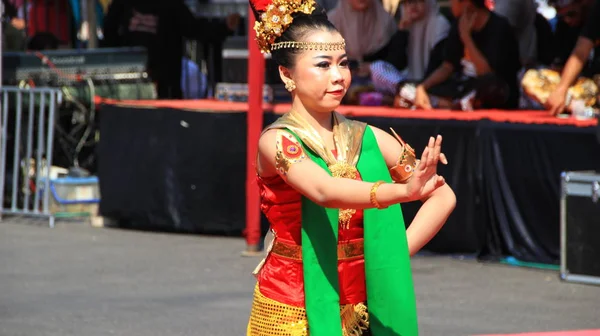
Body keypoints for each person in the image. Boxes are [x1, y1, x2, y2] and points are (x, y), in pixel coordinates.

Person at [246, 0, 457, 334]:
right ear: (286, 73)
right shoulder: (276, 141)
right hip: (292, 305)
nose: (338, 77)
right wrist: (401, 191)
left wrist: (390, 256)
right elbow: (324, 190)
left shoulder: (368, 139)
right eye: (323, 65)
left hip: (361, 303)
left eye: (342, 64)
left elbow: (442, 196)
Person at [103, 0, 240, 99]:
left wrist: (224, 27)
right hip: (128, 83)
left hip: (165, 84)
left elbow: (194, 28)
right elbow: (109, 33)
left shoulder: (170, 5)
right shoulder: (122, 4)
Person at [414, 0, 521, 110]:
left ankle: (454, 103)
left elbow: (486, 72)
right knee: (410, 88)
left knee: (490, 88)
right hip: (464, 85)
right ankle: (454, 102)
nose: (451, 5)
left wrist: (466, 37)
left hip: (494, 89)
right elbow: (447, 66)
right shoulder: (458, 24)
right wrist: (423, 87)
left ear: (467, 3)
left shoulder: (499, 27)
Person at [545, 0, 600, 115]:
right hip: (585, 85)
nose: (567, 20)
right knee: (531, 78)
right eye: (563, 16)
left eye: (571, 14)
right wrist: (561, 89)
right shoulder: (564, 27)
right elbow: (579, 53)